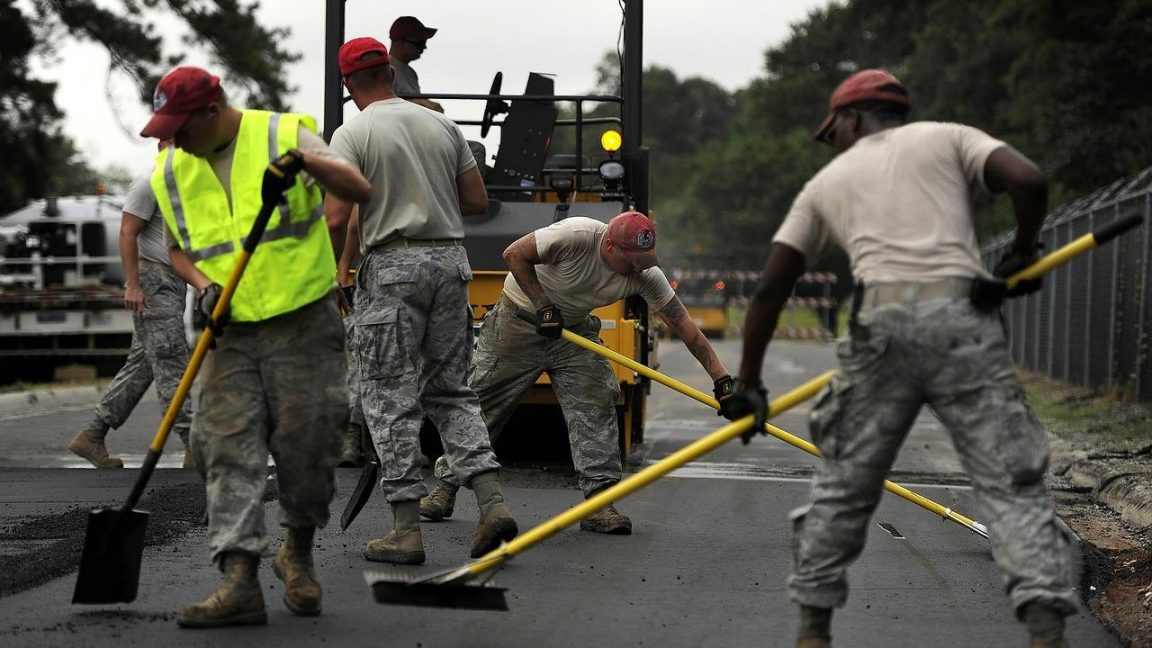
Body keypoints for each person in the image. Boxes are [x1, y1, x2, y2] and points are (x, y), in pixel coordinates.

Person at [725, 69, 1076, 648]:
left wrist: (751, 385)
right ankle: (1045, 628)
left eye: (830, 131)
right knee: (1010, 484)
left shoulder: (826, 183)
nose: (831, 142)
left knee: (844, 484)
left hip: (880, 329)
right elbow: (1030, 180)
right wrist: (1021, 250)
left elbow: (769, 291)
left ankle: (813, 630)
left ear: (852, 119)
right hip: (963, 321)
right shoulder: (951, 138)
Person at [141, 65, 372, 628]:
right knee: (224, 445)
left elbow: (359, 190)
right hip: (231, 329)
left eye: (179, 127)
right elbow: (176, 249)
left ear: (212, 113)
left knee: (309, 442)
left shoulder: (282, 134)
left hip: (304, 320)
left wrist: (305, 164)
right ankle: (239, 579)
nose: (171, 140)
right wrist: (203, 285)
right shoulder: (171, 169)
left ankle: (296, 550)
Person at [421, 211, 738, 535]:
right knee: (482, 404)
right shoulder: (576, 236)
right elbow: (514, 254)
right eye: (631, 261)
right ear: (610, 246)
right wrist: (543, 304)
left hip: (572, 332)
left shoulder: (645, 272)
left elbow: (684, 326)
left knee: (597, 399)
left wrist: (722, 381)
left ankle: (599, 503)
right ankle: (445, 487)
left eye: (644, 261)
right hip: (518, 323)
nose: (637, 269)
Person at [325, 37, 518, 565]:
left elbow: (338, 217)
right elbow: (477, 201)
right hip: (449, 263)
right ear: (390, 71)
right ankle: (492, 504)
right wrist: (427, 198)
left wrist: (338, 271)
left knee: (389, 397)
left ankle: (405, 532)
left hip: (391, 270)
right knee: (452, 392)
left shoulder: (353, 132)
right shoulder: (441, 125)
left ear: (348, 84)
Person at [68, 140, 195, 470]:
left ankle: (92, 435)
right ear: (161, 145)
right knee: (173, 362)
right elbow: (127, 233)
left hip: (172, 282)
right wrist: (133, 284)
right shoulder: (148, 182)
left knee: (140, 368)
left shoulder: (179, 186)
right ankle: (194, 445)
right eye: (174, 143)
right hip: (153, 283)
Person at [388, 15, 443, 113]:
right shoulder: (384, 68)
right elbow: (383, 105)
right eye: (420, 43)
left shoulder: (410, 73)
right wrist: (424, 105)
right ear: (400, 42)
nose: (424, 47)